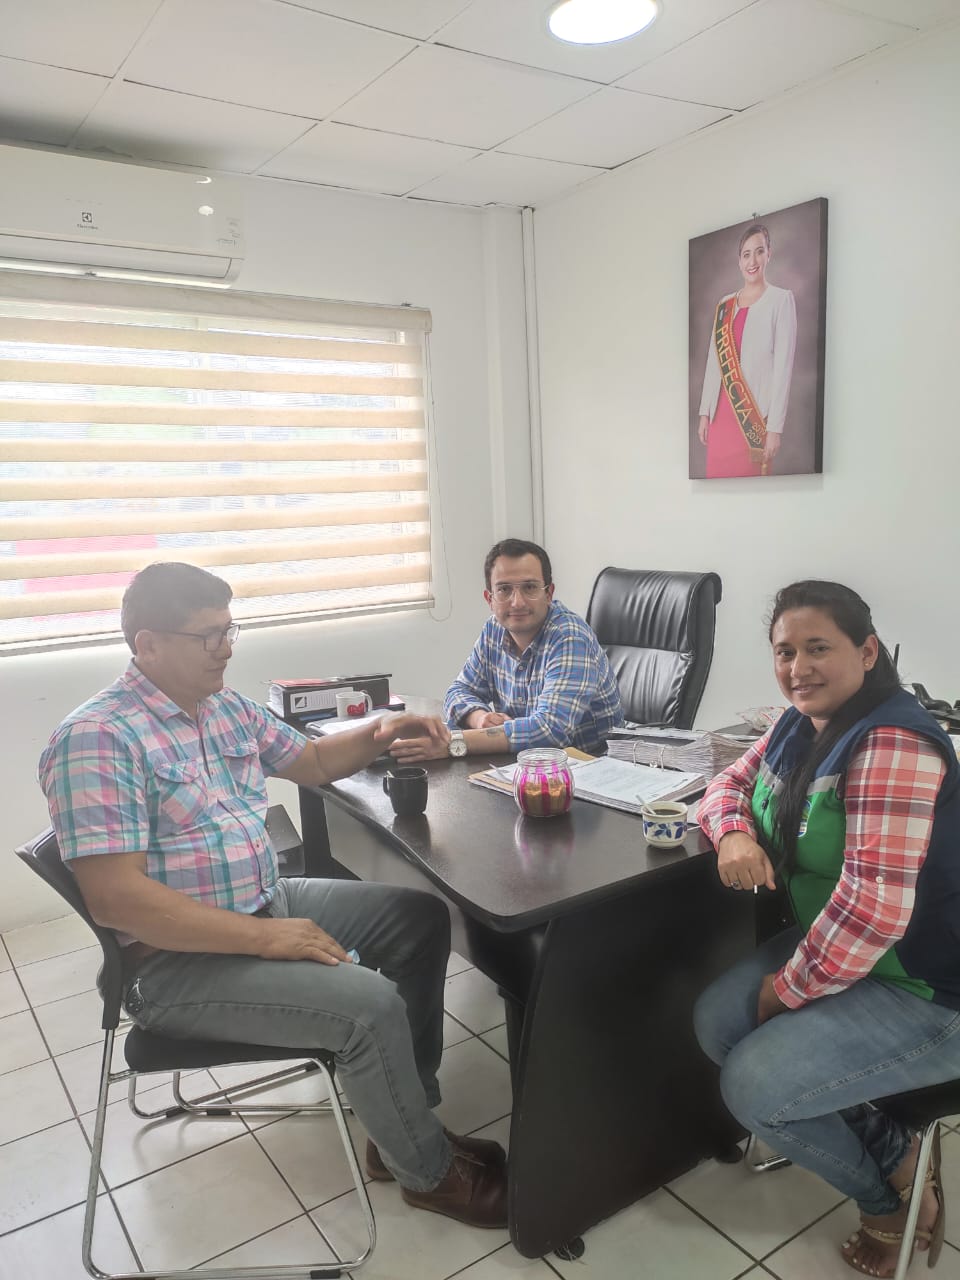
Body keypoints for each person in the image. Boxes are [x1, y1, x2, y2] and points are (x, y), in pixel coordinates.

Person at [38, 562, 508, 1229]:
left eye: (229, 630)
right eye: (206, 636)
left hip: (261, 901)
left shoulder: (220, 705)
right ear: (147, 644)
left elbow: (310, 762)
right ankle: (428, 1174)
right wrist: (267, 938)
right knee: (369, 1006)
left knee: (418, 918)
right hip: (174, 963)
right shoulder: (97, 738)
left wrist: (383, 732)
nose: (225, 648)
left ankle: (403, 1120)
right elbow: (117, 900)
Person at [693, 580, 960, 1277]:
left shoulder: (893, 742)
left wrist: (785, 991)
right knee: (716, 1023)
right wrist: (732, 835)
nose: (798, 668)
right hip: (850, 952)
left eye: (818, 648)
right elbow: (725, 784)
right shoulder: (798, 722)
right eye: (785, 652)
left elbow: (874, 911)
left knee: (753, 1086)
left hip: (927, 983)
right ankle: (893, 1145)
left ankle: (884, 1201)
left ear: (867, 652)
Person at [390, 538, 623, 764]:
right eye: (504, 589)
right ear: (489, 599)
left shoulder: (569, 637)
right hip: (525, 766)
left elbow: (550, 731)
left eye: (530, 587)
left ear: (549, 593)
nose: (517, 602)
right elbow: (459, 691)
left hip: (593, 767)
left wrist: (454, 743)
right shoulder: (494, 629)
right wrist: (480, 718)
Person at [697, 222, 797, 478]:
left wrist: (775, 428)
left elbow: (783, 369)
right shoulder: (724, 305)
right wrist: (705, 412)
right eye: (746, 254)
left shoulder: (780, 300)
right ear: (739, 261)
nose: (752, 261)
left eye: (759, 251)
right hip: (720, 421)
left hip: (752, 421)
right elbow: (713, 362)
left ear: (769, 254)